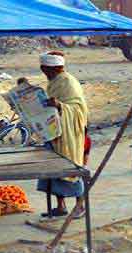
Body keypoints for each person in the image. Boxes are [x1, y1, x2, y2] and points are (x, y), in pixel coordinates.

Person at [37, 51, 88, 218]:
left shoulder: (68, 82)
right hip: (54, 131)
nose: (45, 73)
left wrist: (60, 106)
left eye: (46, 70)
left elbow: (79, 109)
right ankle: (61, 206)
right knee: (53, 170)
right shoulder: (54, 82)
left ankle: (80, 205)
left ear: (53, 68)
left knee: (71, 168)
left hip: (69, 133)